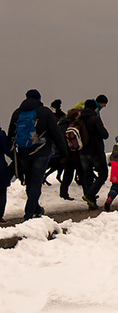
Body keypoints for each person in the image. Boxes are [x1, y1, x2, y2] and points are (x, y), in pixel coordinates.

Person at [9, 89, 66, 220]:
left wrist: (14, 155)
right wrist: (63, 151)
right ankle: (29, 214)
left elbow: (10, 134)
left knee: (29, 182)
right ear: (39, 98)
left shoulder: (18, 113)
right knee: (36, 183)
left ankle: (36, 209)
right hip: (41, 152)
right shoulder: (45, 112)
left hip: (24, 152)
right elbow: (55, 133)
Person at [75, 97, 108, 205]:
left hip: (83, 151)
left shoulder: (78, 119)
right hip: (96, 151)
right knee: (103, 174)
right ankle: (90, 194)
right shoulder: (95, 118)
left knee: (87, 175)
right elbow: (104, 134)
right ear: (94, 108)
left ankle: (91, 201)